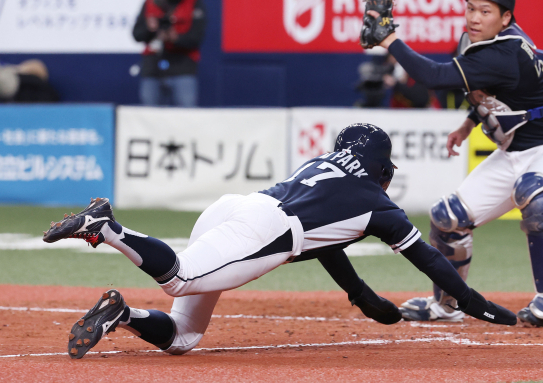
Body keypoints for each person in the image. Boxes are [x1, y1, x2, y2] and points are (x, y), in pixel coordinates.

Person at [43, 123, 516, 359]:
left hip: (233, 207)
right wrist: (475, 304)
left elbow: (329, 243)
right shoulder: (378, 201)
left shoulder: (320, 166)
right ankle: (107, 227)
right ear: (384, 167)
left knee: (185, 337)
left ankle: (122, 314)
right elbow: (429, 258)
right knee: (180, 278)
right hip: (266, 229)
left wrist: (363, 297)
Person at [359, 0, 543, 326]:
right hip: (514, 151)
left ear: (506, 17)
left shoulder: (503, 52)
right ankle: (446, 305)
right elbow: (491, 90)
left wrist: (389, 38)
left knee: (535, 194)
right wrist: (468, 124)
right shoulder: (482, 43)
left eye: (486, 11)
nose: (475, 17)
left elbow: (434, 77)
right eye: (470, 8)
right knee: (447, 218)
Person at [132, 0, 206, 107]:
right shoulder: (152, 0)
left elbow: (197, 37)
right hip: (153, 67)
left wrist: (176, 38)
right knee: (150, 116)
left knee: (186, 115)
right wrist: (150, 29)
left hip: (183, 66)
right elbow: (137, 35)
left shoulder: (194, 0)